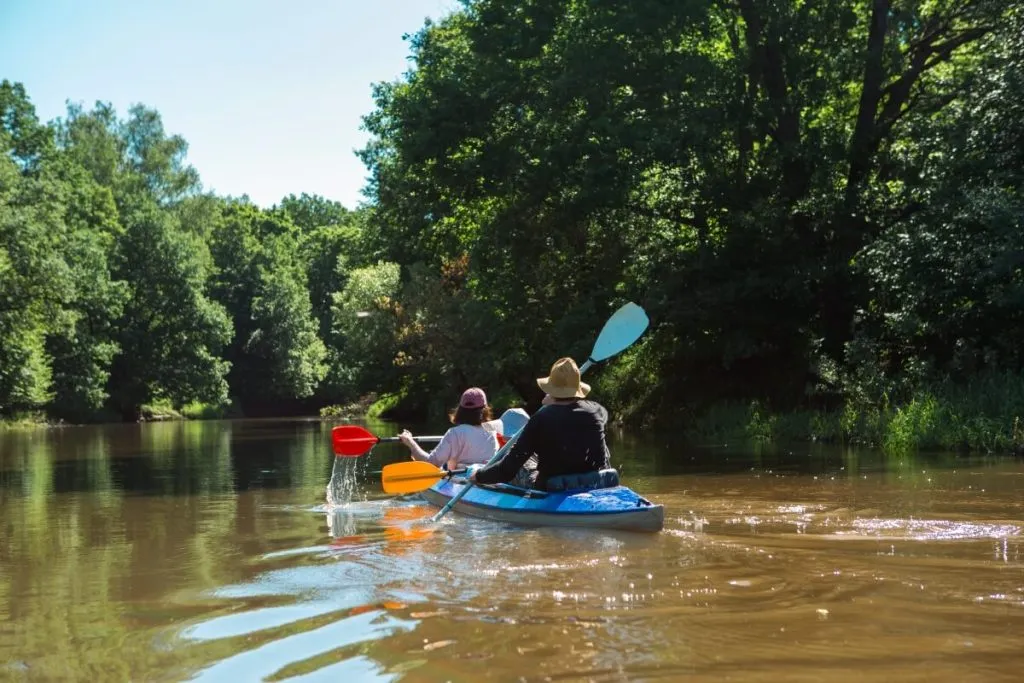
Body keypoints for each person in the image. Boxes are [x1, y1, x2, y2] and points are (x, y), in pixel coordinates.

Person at [469, 357, 611, 490]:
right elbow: (575, 420)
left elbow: (507, 470)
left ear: (551, 391)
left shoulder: (541, 418)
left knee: (511, 452)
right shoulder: (596, 412)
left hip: (550, 486)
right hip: (593, 481)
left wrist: (479, 476)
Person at [398, 387, 500, 470]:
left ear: (461, 409)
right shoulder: (493, 431)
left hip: (460, 482)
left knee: (445, 463)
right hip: (486, 480)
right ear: (485, 410)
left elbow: (431, 463)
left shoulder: (455, 433)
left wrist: (410, 443)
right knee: (448, 462)